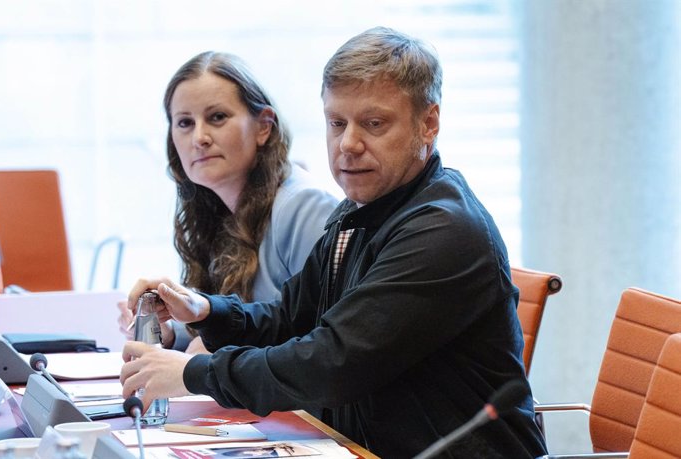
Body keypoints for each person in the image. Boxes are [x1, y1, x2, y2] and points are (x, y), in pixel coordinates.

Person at [120, 27, 548, 458]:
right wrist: (207, 311)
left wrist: (196, 372)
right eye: (337, 123)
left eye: (374, 124)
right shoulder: (359, 210)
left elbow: (331, 364)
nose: (348, 144)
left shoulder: (443, 230)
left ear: (428, 123)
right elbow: (290, 318)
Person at [117, 51, 338, 352]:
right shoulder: (214, 209)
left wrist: (213, 356)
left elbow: (323, 343)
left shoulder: (306, 207)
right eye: (184, 123)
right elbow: (223, 321)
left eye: (217, 117)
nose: (200, 137)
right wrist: (167, 331)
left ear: (264, 126)